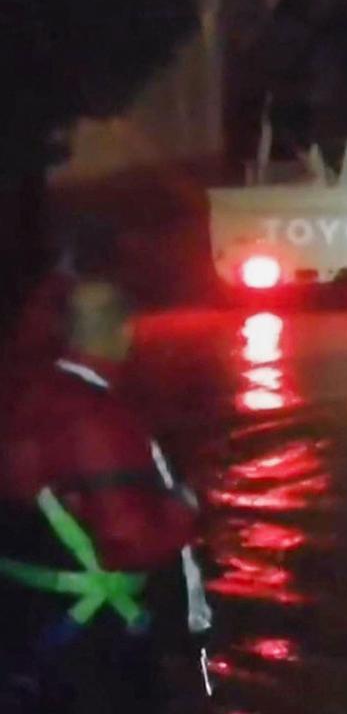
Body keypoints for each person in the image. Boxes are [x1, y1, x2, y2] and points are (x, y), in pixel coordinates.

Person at [0, 280, 202, 713]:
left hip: (28, 620)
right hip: (95, 639)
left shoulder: (25, 395)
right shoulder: (101, 419)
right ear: (125, 331)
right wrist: (183, 510)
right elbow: (129, 540)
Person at [259, 0, 347, 179]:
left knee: (290, 129)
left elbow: (273, 49)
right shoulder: (341, 5)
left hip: (298, 91)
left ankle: (318, 172)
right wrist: (346, 64)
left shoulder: (287, 10)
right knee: (334, 139)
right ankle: (333, 174)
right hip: (337, 88)